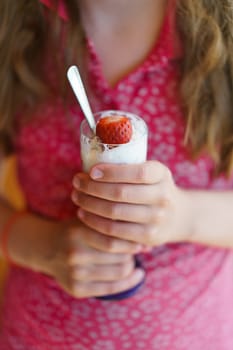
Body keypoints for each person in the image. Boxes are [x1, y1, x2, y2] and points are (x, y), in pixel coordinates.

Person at [0, 0, 233, 348]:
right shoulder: (14, 27)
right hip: (36, 334)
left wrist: (183, 215)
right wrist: (39, 245)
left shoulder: (223, 33)